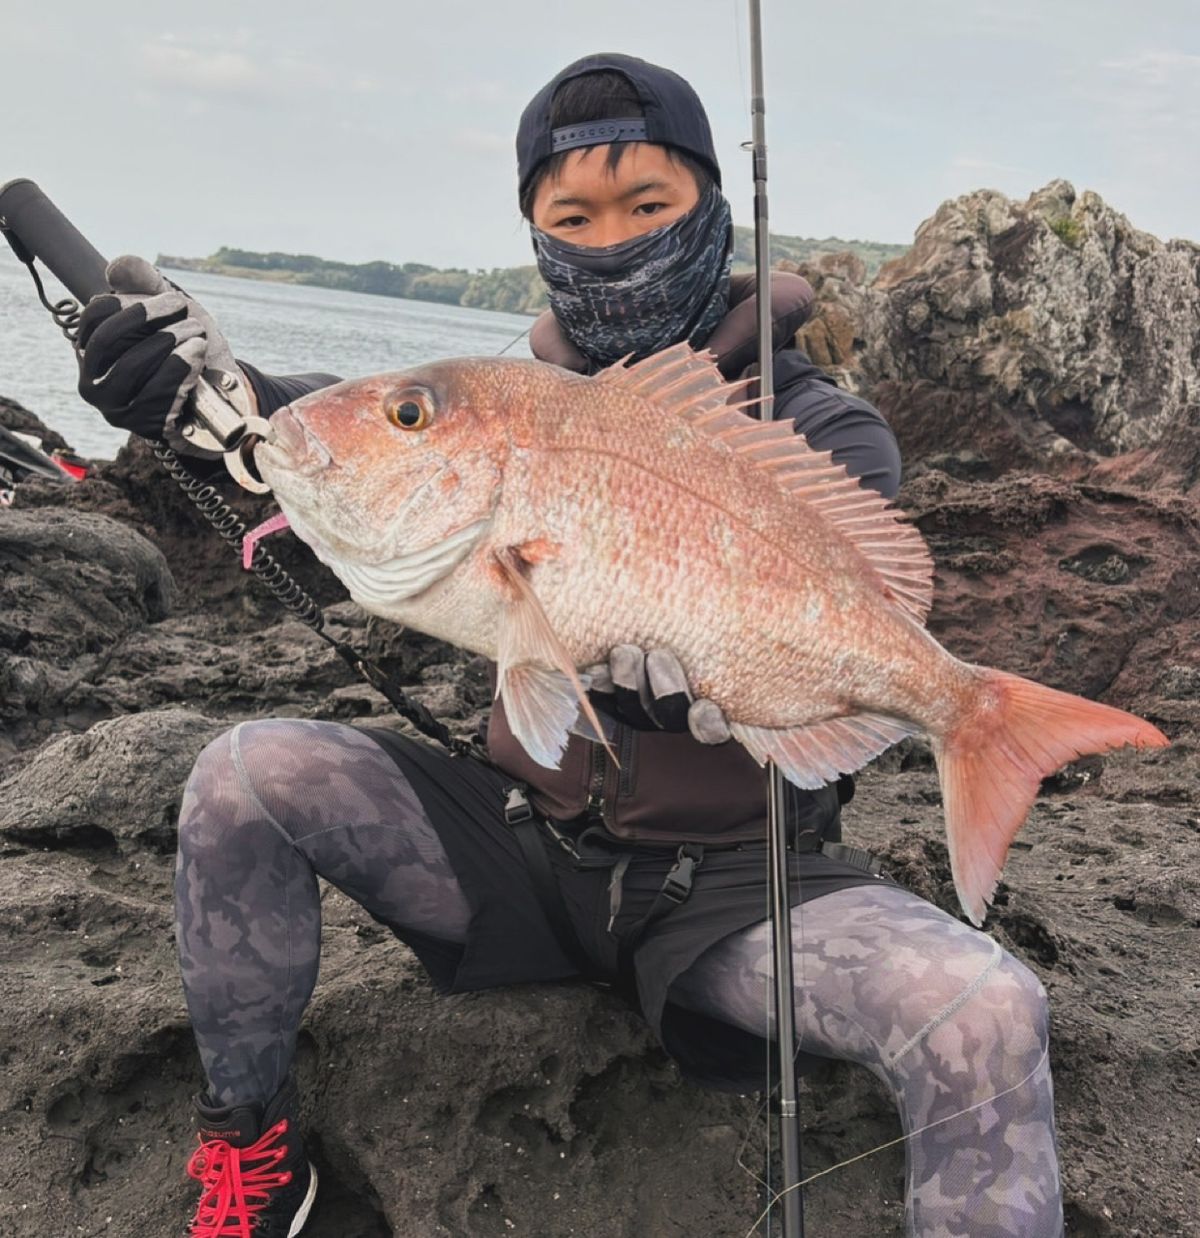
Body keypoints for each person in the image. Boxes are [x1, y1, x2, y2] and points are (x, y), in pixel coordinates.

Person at [76, 53, 1064, 1238]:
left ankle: (980, 725)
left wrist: (729, 681)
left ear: (711, 206)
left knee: (986, 1011)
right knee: (241, 772)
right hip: (525, 845)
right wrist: (208, 390)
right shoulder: (518, 400)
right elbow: (376, 436)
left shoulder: (820, 428)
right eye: (574, 216)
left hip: (744, 895)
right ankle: (254, 1151)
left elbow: (825, 638)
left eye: (650, 205)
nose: (615, 239)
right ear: (536, 233)